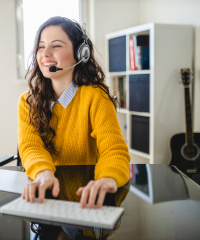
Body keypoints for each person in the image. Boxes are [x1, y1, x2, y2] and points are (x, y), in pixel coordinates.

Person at [18, 16, 130, 210]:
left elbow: (113, 150)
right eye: (41, 46)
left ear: (80, 53)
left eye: (56, 46)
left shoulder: (96, 98)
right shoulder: (27, 101)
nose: (45, 53)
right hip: (45, 197)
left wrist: (107, 179)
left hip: (87, 198)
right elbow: (30, 147)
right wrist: (44, 173)